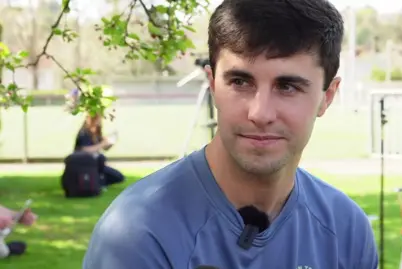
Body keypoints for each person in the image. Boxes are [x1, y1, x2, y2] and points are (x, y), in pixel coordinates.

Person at [83, 0, 378, 268]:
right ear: (213, 85)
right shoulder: (139, 233)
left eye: (287, 87)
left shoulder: (346, 230)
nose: (260, 113)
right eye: (240, 81)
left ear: (327, 96)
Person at [74, 113, 124, 186]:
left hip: (97, 163)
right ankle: (97, 182)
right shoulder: (84, 133)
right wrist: (102, 144)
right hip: (85, 164)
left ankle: (98, 182)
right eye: (98, 119)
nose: (99, 122)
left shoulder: (96, 133)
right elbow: (85, 150)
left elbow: (104, 148)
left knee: (118, 177)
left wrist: (110, 142)